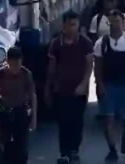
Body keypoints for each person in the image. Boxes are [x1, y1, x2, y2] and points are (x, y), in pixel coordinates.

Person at [93, 10, 125, 163]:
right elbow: (98, 66)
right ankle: (112, 149)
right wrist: (99, 85)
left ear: (123, 23)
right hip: (109, 86)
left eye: (118, 21)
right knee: (108, 119)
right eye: (112, 22)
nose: (115, 24)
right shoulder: (101, 43)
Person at [46, 10, 93, 164]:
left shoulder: (85, 43)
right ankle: (64, 152)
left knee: (76, 121)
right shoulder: (55, 44)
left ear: (78, 25)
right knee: (63, 121)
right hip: (61, 89)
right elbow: (52, 68)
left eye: (74, 24)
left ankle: (74, 149)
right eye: (68, 24)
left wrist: (84, 84)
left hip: (79, 90)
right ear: (63, 25)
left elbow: (89, 66)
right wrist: (48, 87)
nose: (71, 28)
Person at [0, 46, 36, 164]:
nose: (15, 67)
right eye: (13, 64)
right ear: (7, 61)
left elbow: (33, 96)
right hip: (4, 114)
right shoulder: (0, 74)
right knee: (3, 149)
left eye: (18, 64)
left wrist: (34, 119)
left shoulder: (26, 74)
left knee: (21, 148)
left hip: (20, 113)